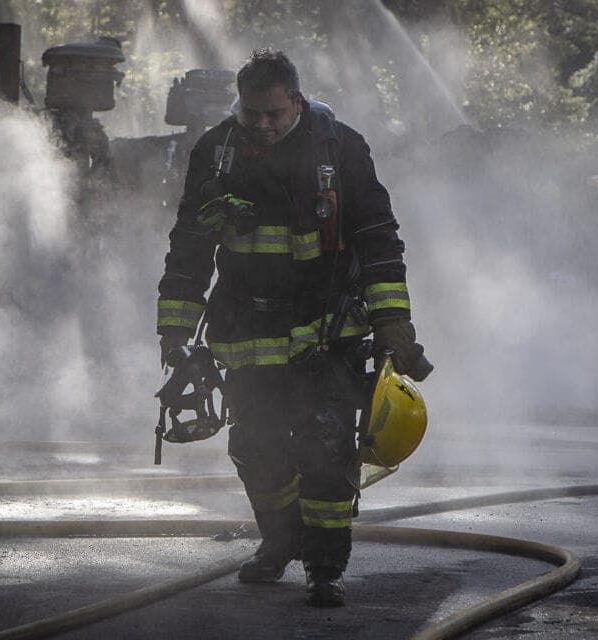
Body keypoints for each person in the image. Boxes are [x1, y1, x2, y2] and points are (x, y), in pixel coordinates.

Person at [155, 49, 431, 607]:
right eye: (251, 113)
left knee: (326, 452)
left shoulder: (340, 148)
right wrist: (175, 331)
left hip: (325, 332)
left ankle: (325, 568)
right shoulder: (216, 151)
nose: (262, 125)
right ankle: (280, 543)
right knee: (255, 450)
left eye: (274, 115)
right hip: (248, 333)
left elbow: (378, 237)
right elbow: (188, 247)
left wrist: (393, 320)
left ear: (297, 102)